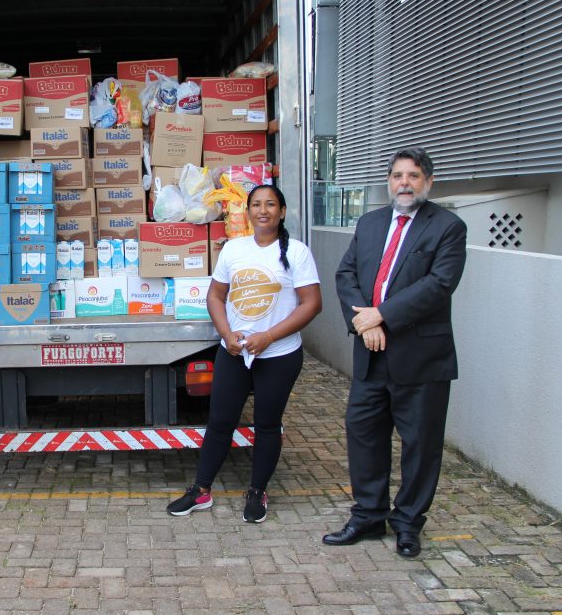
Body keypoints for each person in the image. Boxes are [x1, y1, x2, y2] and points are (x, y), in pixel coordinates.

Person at [324, 147, 467, 558]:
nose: (404, 183)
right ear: (389, 181)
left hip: (421, 358)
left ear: (428, 182)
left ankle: (407, 523)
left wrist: (380, 316)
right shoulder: (369, 223)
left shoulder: (448, 227)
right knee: (364, 435)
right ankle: (368, 517)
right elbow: (346, 273)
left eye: (413, 176)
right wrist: (361, 322)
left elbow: (439, 285)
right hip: (371, 354)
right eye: (398, 175)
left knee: (420, 444)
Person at [167, 185, 322, 523]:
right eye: (256, 205)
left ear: (282, 211)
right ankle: (201, 490)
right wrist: (226, 334)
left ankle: (257, 491)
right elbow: (215, 296)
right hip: (234, 353)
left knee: (267, 425)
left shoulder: (296, 252)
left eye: (270, 204)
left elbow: (312, 304)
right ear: (247, 212)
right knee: (220, 422)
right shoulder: (234, 248)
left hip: (279, 354)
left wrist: (268, 336)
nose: (262, 210)